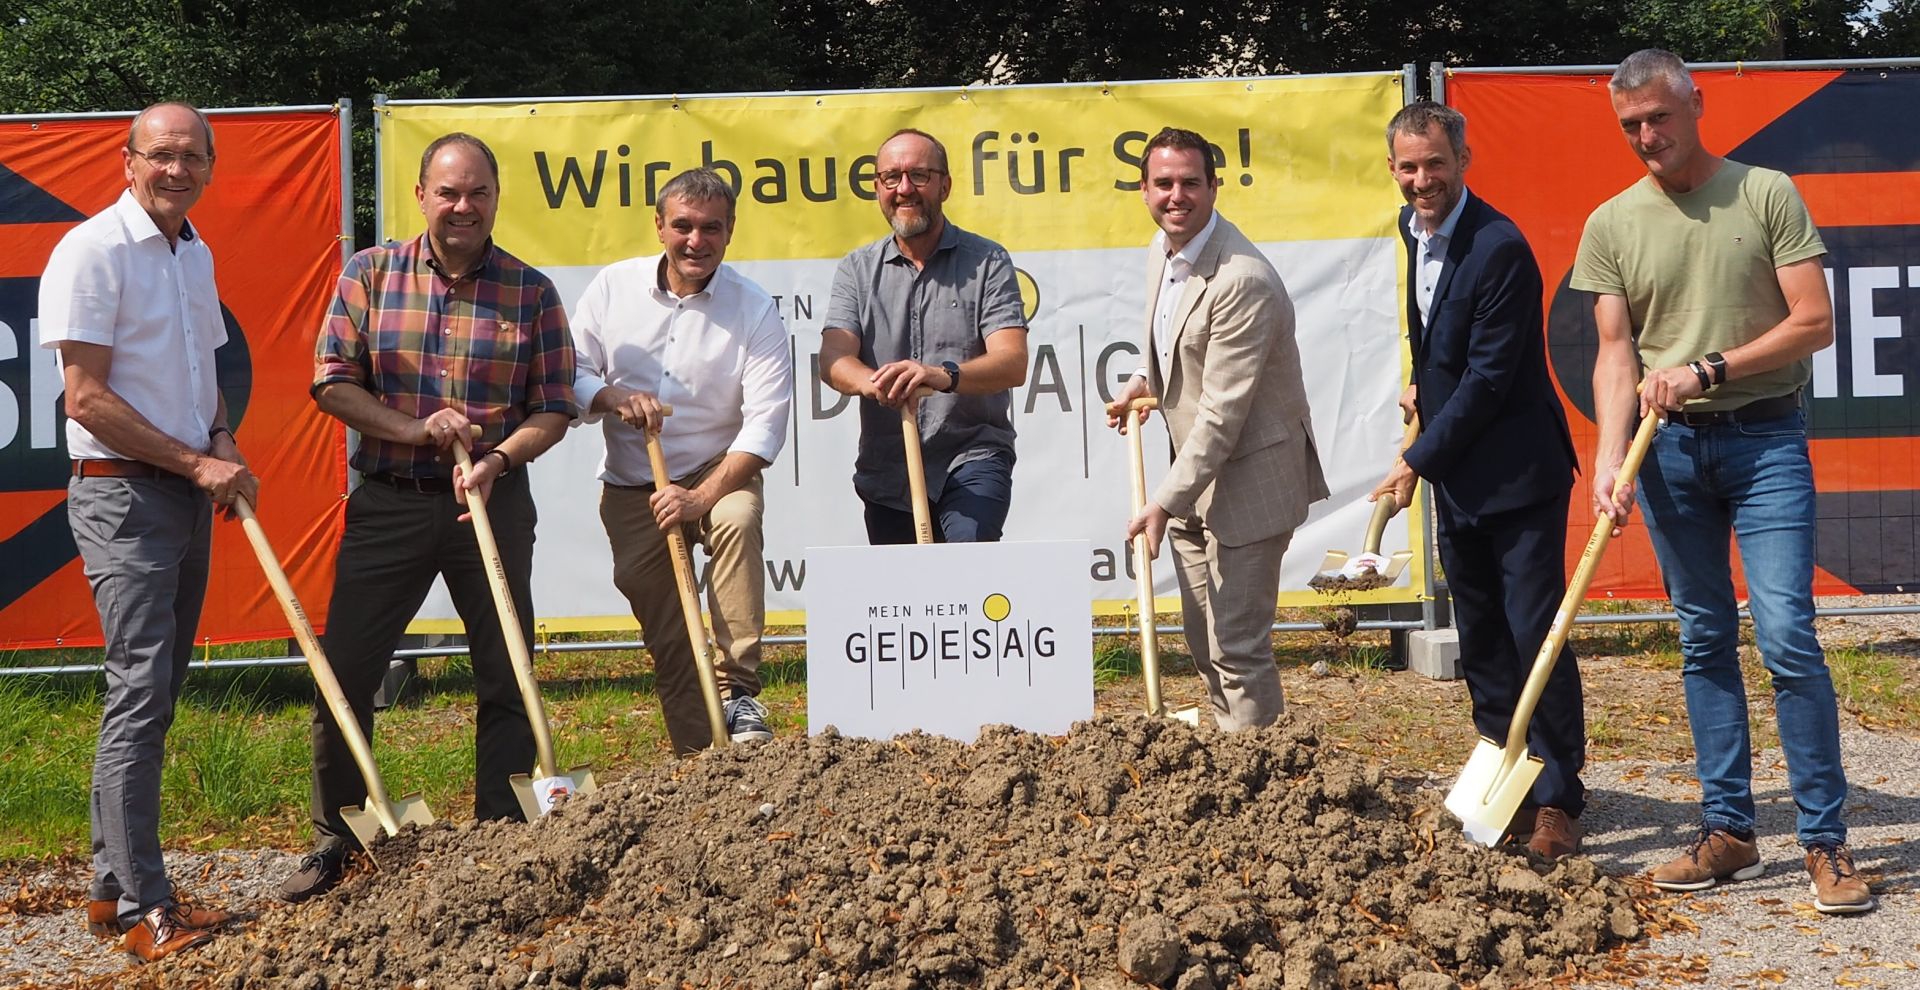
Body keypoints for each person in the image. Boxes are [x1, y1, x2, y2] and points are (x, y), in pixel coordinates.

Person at [1573, 49, 1871, 913]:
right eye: (1630, 125)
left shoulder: (1766, 192)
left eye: (1659, 117)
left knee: (1786, 636)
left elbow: (1814, 322)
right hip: (1667, 455)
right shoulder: (1611, 223)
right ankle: (1729, 831)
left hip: (1766, 440)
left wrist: (1707, 368)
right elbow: (1616, 354)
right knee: (1703, 637)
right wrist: (1609, 460)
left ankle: (1825, 842)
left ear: (1696, 103)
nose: (1647, 136)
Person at [280, 132, 577, 902]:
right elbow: (331, 382)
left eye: (477, 192)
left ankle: (500, 835)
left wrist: (499, 459)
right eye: (448, 192)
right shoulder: (370, 274)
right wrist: (413, 429)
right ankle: (341, 839)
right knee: (346, 673)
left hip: (492, 502)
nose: (462, 206)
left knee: (508, 672)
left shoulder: (532, 292)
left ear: (496, 198)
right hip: (389, 502)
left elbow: (553, 408)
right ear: (421, 196)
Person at [38, 101, 255, 962]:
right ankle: (143, 907)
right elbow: (85, 399)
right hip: (123, 498)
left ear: (210, 167)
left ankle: (109, 887)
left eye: (191, 156)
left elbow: (203, 373)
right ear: (127, 161)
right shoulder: (91, 250)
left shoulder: (193, 251)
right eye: (160, 155)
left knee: (155, 691)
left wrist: (222, 439)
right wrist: (198, 463)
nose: (176, 170)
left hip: (185, 492)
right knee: (139, 694)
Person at [1367, 102, 1585, 858]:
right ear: (1393, 169)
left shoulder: (1500, 248)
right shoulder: (1414, 231)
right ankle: (1505, 771)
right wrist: (1422, 390)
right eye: (1408, 167)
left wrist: (1415, 460)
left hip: (1518, 474)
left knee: (1533, 633)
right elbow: (1439, 341)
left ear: (1462, 160)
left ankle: (1558, 797)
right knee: (1482, 633)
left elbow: (1491, 378)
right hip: (1459, 473)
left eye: (1435, 163)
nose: (1421, 179)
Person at [1105, 126, 1328, 731]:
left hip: (1251, 483)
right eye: (1163, 183)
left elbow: (1223, 413)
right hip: (1193, 479)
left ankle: (1259, 773)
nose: (1176, 196)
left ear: (1213, 187)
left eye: (1190, 183)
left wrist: (1161, 503)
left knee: (1237, 648)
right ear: (1144, 189)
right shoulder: (1163, 249)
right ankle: (1229, 759)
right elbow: (1177, 342)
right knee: (1204, 641)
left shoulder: (1241, 279)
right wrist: (1143, 380)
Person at [570, 168, 793, 754]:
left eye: (711, 228)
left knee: (736, 519)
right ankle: (700, 764)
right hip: (634, 485)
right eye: (683, 226)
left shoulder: (754, 309)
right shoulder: (612, 288)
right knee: (672, 641)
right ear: (660, 226)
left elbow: (765, 424)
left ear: (730, 230)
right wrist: (612, 397)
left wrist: (700, 497)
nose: (697, 241)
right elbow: (571, 373)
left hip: (717, 471)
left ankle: (739, 689)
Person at [820, 128, 1028, 544]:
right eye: (891, 177)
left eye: (919, 175)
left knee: (968, 563)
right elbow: (833, 358)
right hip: (888, 471)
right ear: (877, 188)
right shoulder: (857, 270)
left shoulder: (987, 261)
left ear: (944, 186)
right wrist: (876, 383)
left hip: (972, 457)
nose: (904, 189)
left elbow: (1012, 362)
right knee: (905, 585)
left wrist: (942, 376)